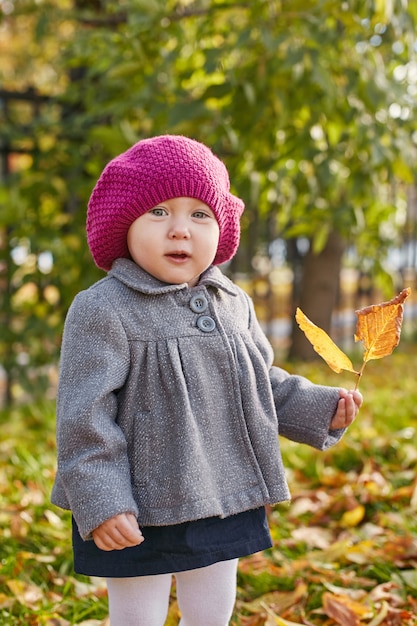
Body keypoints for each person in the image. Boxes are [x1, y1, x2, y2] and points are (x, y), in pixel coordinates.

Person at [51, 135, 362, 626]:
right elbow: (83, 415)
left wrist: (318, 408)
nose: (181, 231)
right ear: (123, 226)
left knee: (212, 609)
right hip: (137, 504)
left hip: (223, 488)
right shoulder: (103, 309)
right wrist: (103, 500)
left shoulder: (231, 301)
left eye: (200, 214)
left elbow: (257, 382)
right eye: (158, 212)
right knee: (137, 616)